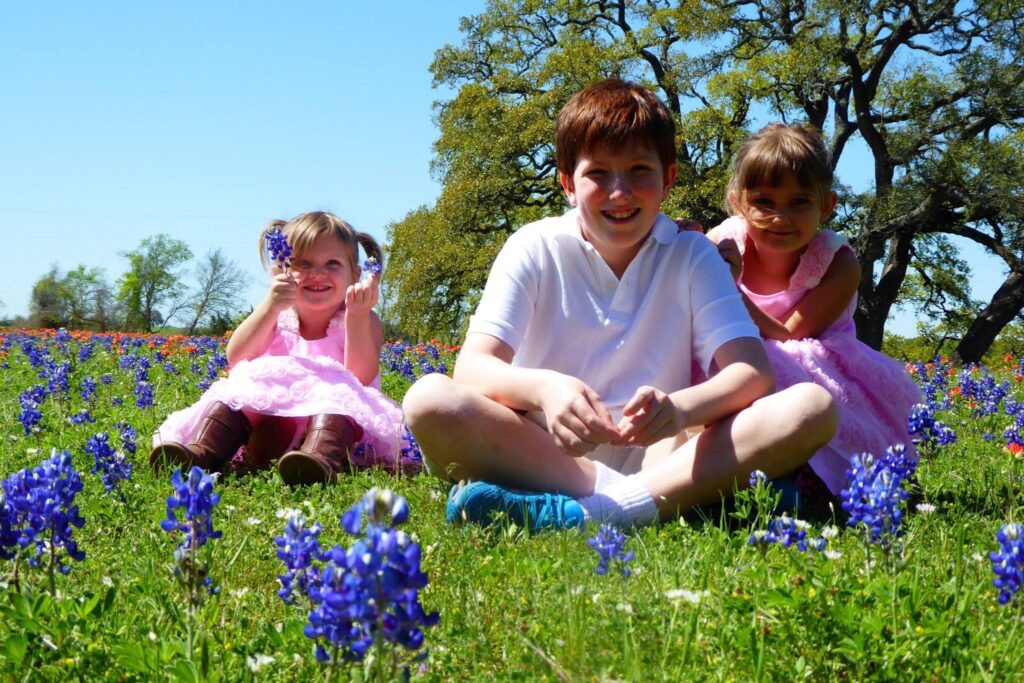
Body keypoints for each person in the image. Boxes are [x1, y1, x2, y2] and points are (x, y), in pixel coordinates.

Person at [402, 79, 838, 530]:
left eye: (638, 170)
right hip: (541, 451)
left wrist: (679, 410)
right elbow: (473, 369)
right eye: (598, 174)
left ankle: (587, 514)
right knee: (428, 400)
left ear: (667, 179)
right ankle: (671, 503)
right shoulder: (532, 246)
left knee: (812, 406)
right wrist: (547, 390)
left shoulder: (693, 255)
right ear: (568, 184)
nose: (620, 191)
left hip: (662, 455)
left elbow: (751, 373)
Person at [705, 123, 923, 499]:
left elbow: (791, 333)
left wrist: (729, 291)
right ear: (739, 202)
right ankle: (721, 466)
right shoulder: (724, 243)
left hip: (816, 366)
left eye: (799, 202)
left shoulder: (838, 262)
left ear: (828, 205)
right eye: (764, 202)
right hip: (737, 356)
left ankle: (802, 475)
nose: (781, 217)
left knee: (772, 361)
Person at [150, 211, 419, 484]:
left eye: (332, 263)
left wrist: (358, 316)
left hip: (334, 432)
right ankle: (201, 454)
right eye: (303, 263)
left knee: (339, 395)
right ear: (281, 270)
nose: (317, 273)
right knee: (241, 389)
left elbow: (360, 379)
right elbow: (237, 357)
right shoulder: (278, 314)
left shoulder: (360, 317)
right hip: (269, 430)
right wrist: (270, 306)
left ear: (355, 276)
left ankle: (317, 463)